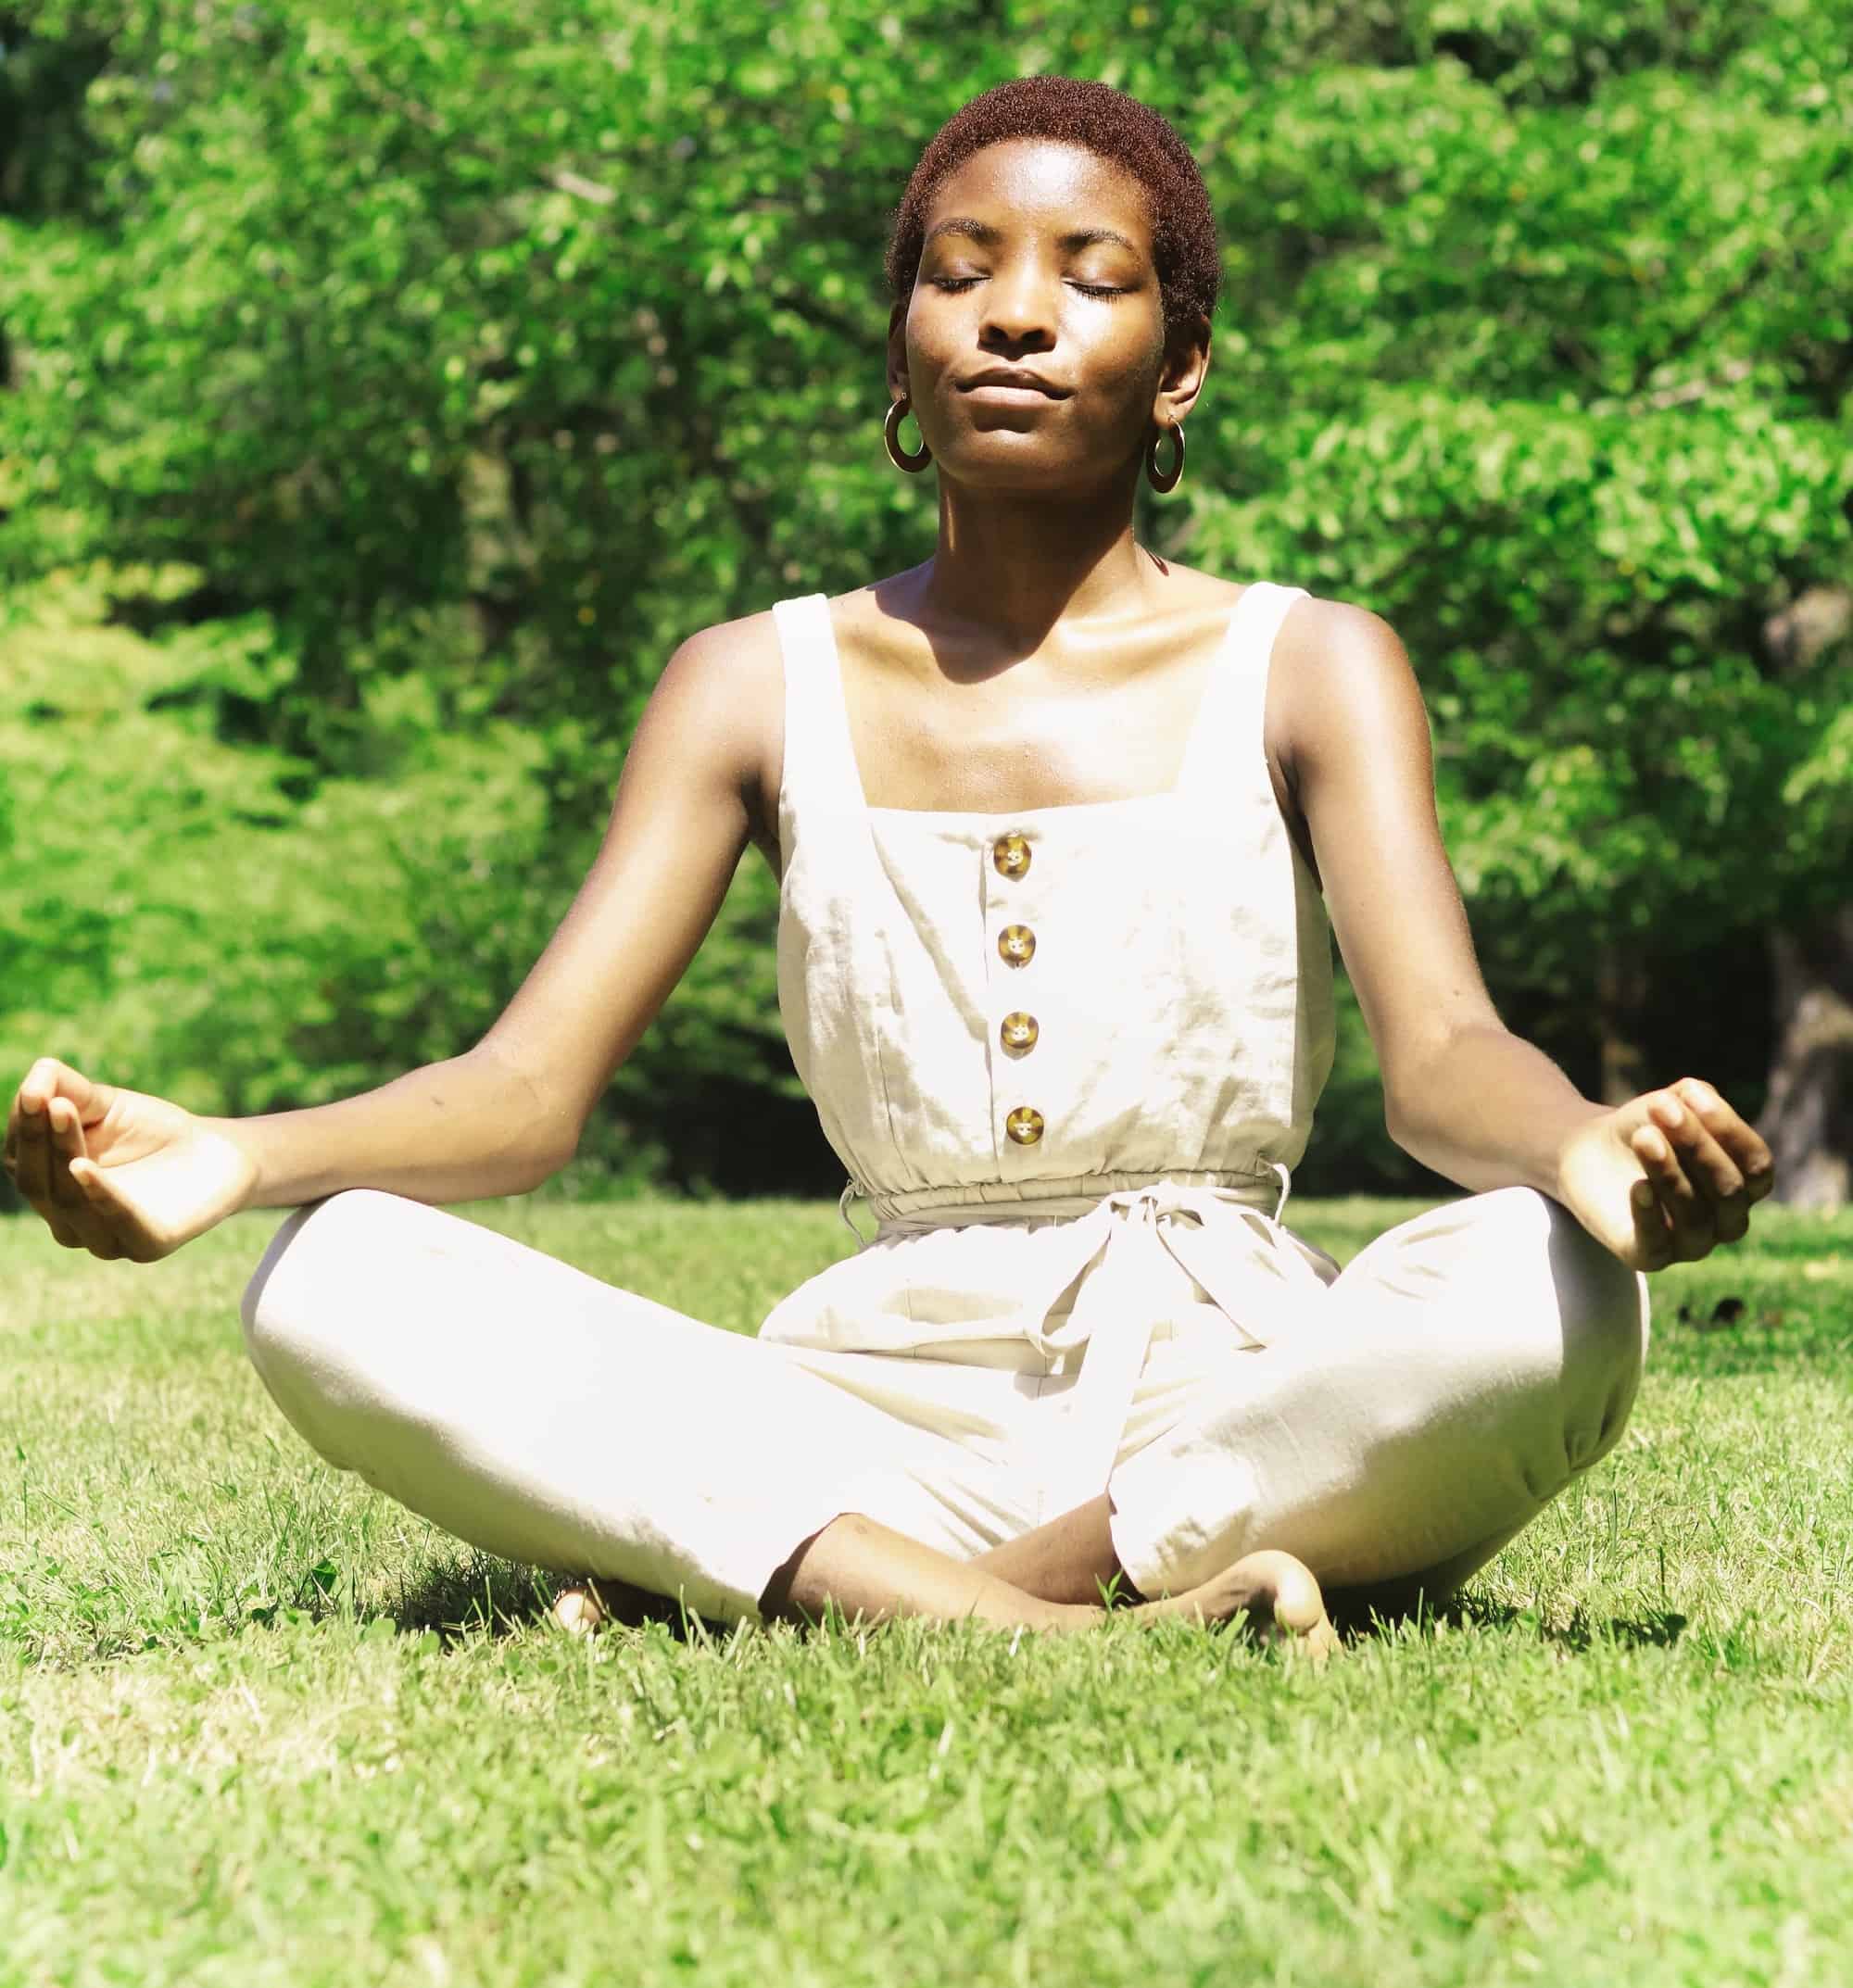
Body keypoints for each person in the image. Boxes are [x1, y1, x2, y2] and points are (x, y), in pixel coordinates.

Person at [5, 79, 1773, 1656]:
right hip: (860, 1413)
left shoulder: (1312, 662)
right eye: (960, 269)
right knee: (338, 1280)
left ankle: (878, 1577)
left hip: (1232, 1393)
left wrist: (1584, 1149)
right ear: (901, 341)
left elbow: (1446, 1056)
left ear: (1182, 363)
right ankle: (1083, 1618)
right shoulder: (746, 679)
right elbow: (525, 1092)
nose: (1016, 312)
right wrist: (239, 1157)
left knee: (1551, 1293)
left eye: (1091, 275)